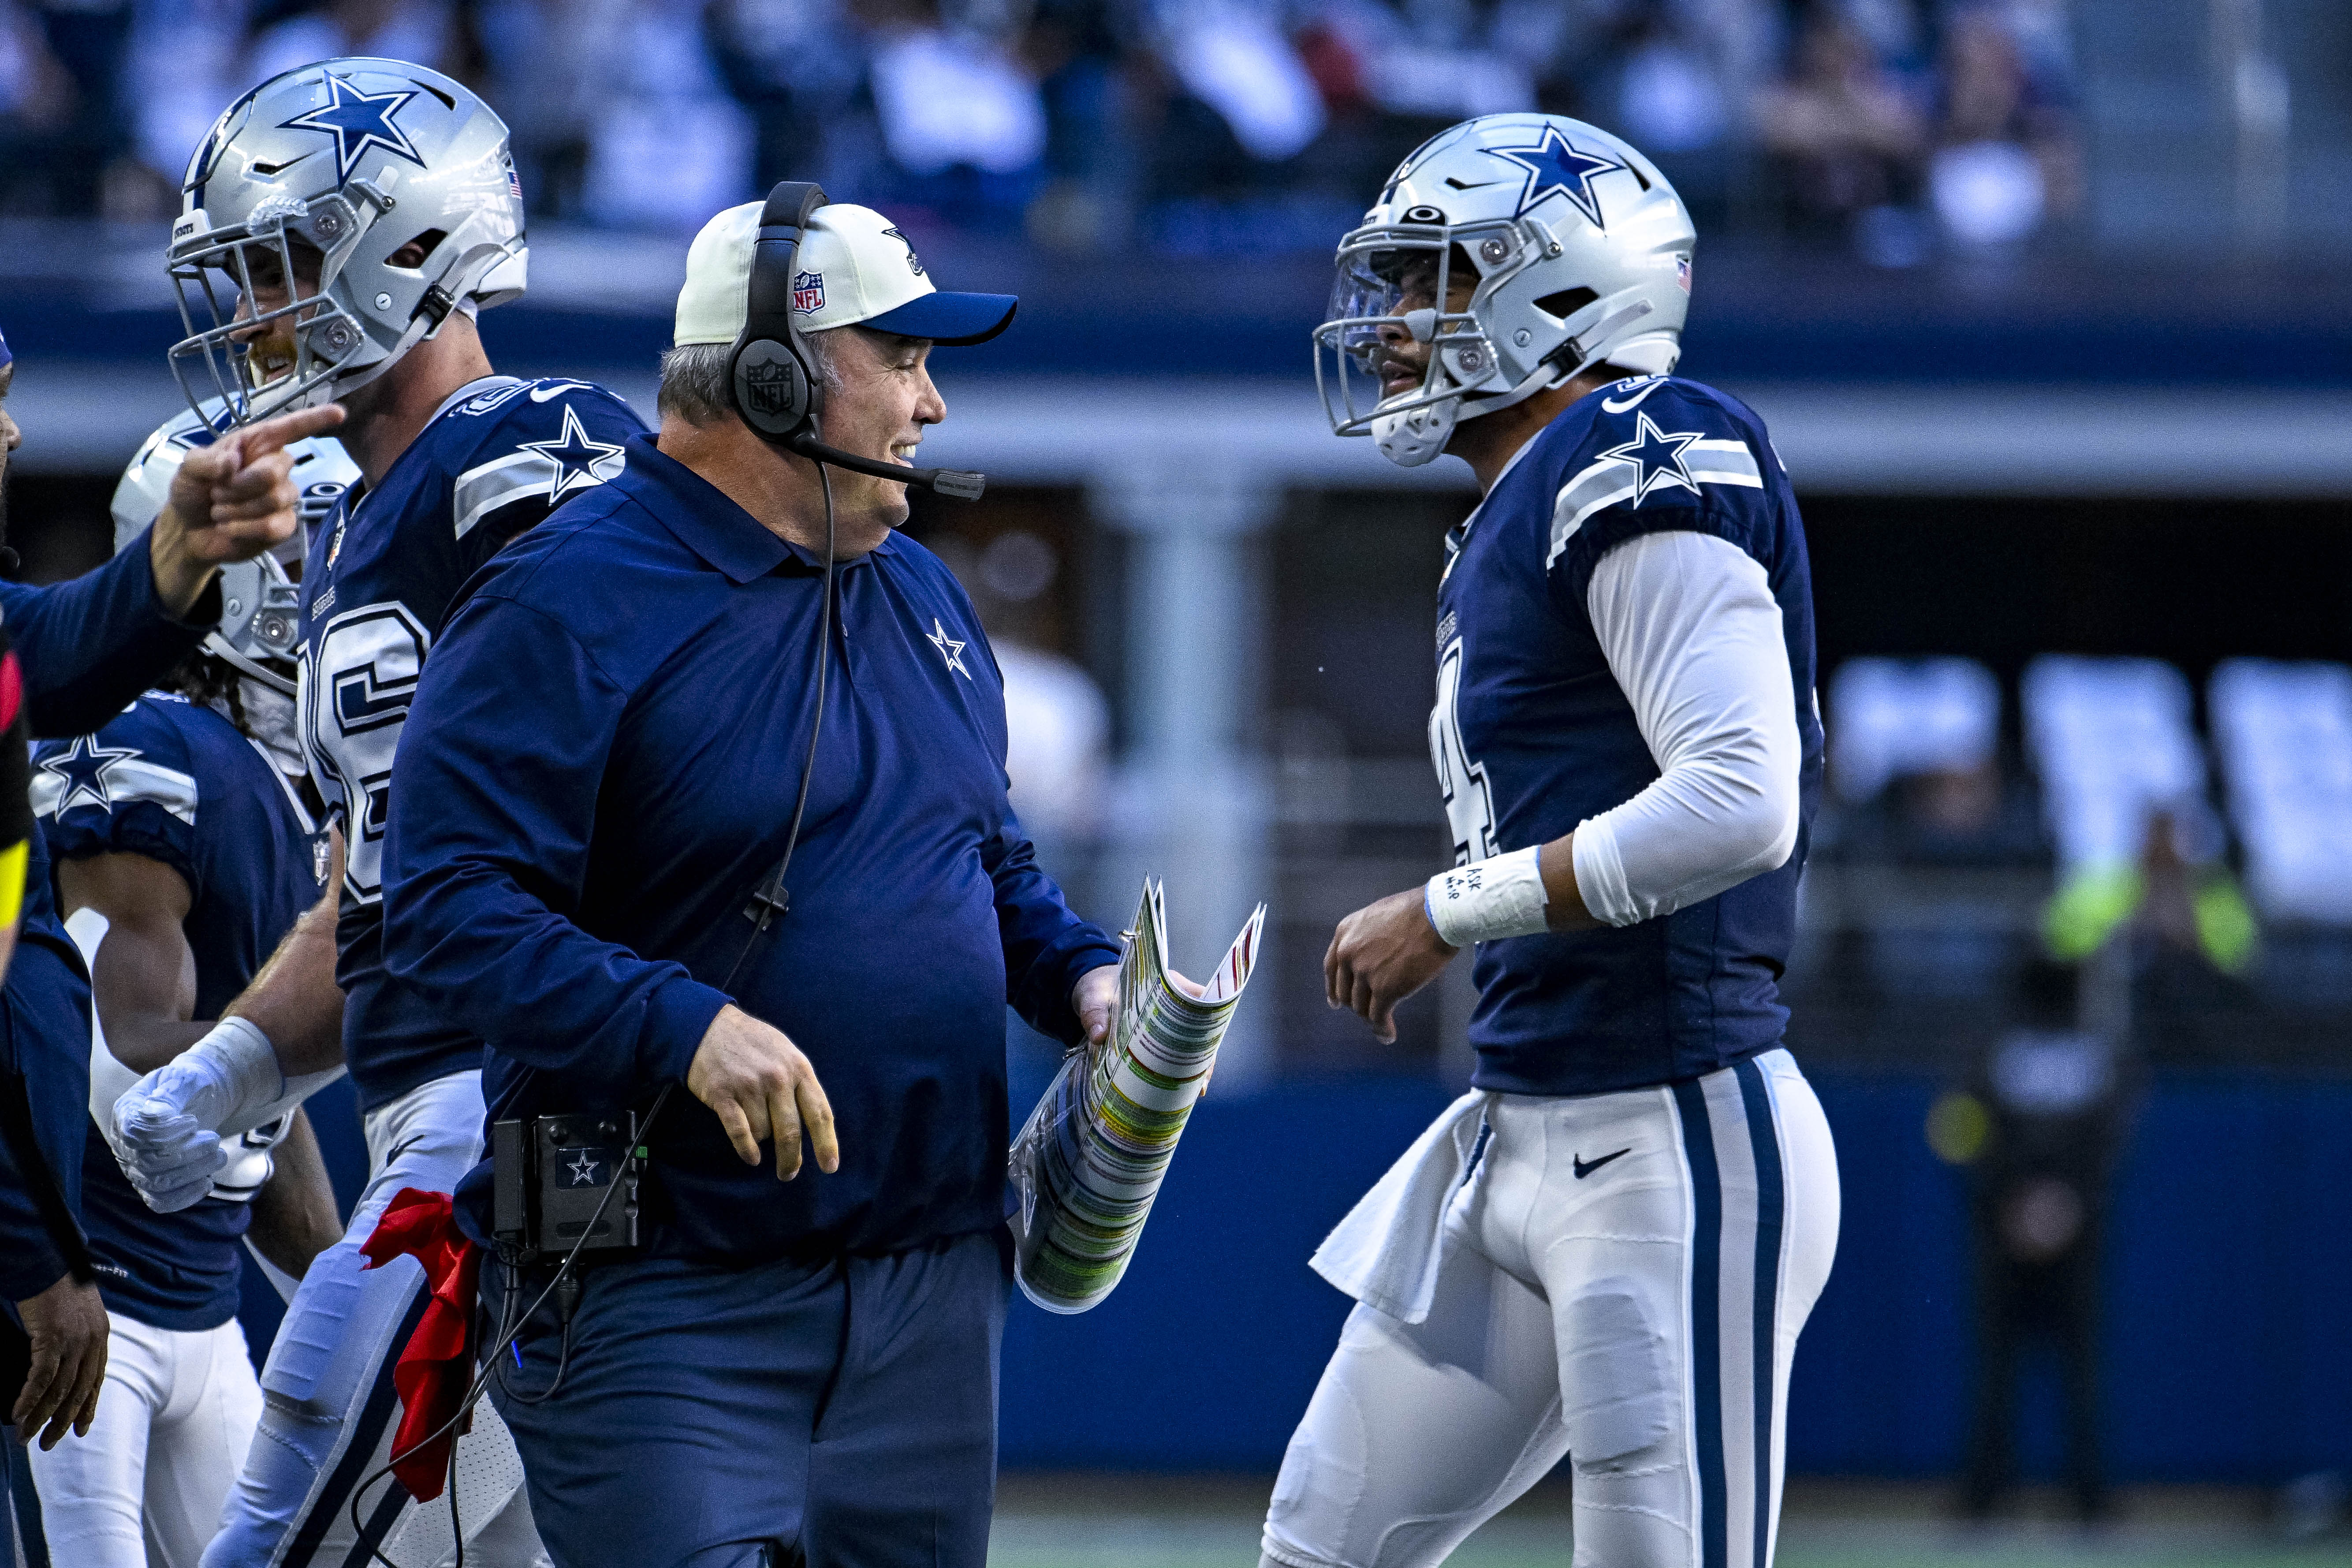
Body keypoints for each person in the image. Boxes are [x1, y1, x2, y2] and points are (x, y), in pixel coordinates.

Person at [378, 195, 1122, 1568]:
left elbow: (979, 851)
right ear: (775, 374)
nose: (934, 404)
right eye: (902, 359)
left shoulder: (920, 594)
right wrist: (684, 1025)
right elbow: (445, 909)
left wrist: (1081, 974)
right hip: (659, 1288)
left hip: (929, 1289)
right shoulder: (563, 599)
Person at [1273, 112, 1842, 1568]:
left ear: (1564, 288)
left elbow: (1739, 797)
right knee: (1317, 1549)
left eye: (1433, 282)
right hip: (1521, 1126)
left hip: (1674, 1128)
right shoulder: (1507, 514)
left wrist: (1446, 912)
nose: (1395, 326)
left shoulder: (1647, 442)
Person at [104, 57, 641, 1567]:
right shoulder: (355, 524)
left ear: (408, 246)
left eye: (275, 266)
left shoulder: (529, 449)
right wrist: (233, 1068)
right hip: (451, 1113)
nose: (251, 314)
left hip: (524, 1121)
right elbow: (387, 890)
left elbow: (659, 777)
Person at [0, 327, 335, 1534]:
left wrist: (351, 1299)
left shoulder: (269, 778)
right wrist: (354, 1013)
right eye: (317, 573)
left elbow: (262, 1079)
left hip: (193, 1305)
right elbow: (122, 1033)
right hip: (96, 1307)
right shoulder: (157, 749)